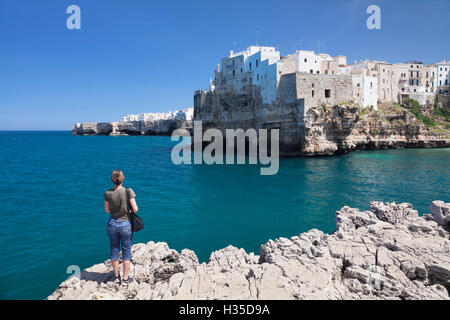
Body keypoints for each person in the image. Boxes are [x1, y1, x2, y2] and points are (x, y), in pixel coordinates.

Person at [104, 170, 138, 285]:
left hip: (112, 224)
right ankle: (125, 279)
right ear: (122, 178)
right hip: (125, 224)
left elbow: (107, 210)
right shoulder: (128, 191)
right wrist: (126, 210)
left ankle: (115, 276)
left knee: (114, 249)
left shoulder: (107, 193)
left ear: (112, 179)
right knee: (126, 251)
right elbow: (135, 209)